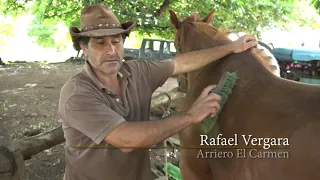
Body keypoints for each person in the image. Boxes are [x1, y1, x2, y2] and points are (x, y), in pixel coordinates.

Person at [58, 4, 257, 180]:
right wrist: (190, 116)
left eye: (116, 41)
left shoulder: (136, 72)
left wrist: (231, 47)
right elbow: (127, 140)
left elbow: (181, 62)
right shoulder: (77, 94)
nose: (111, 51)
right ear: (84, 48)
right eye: (100, 43)